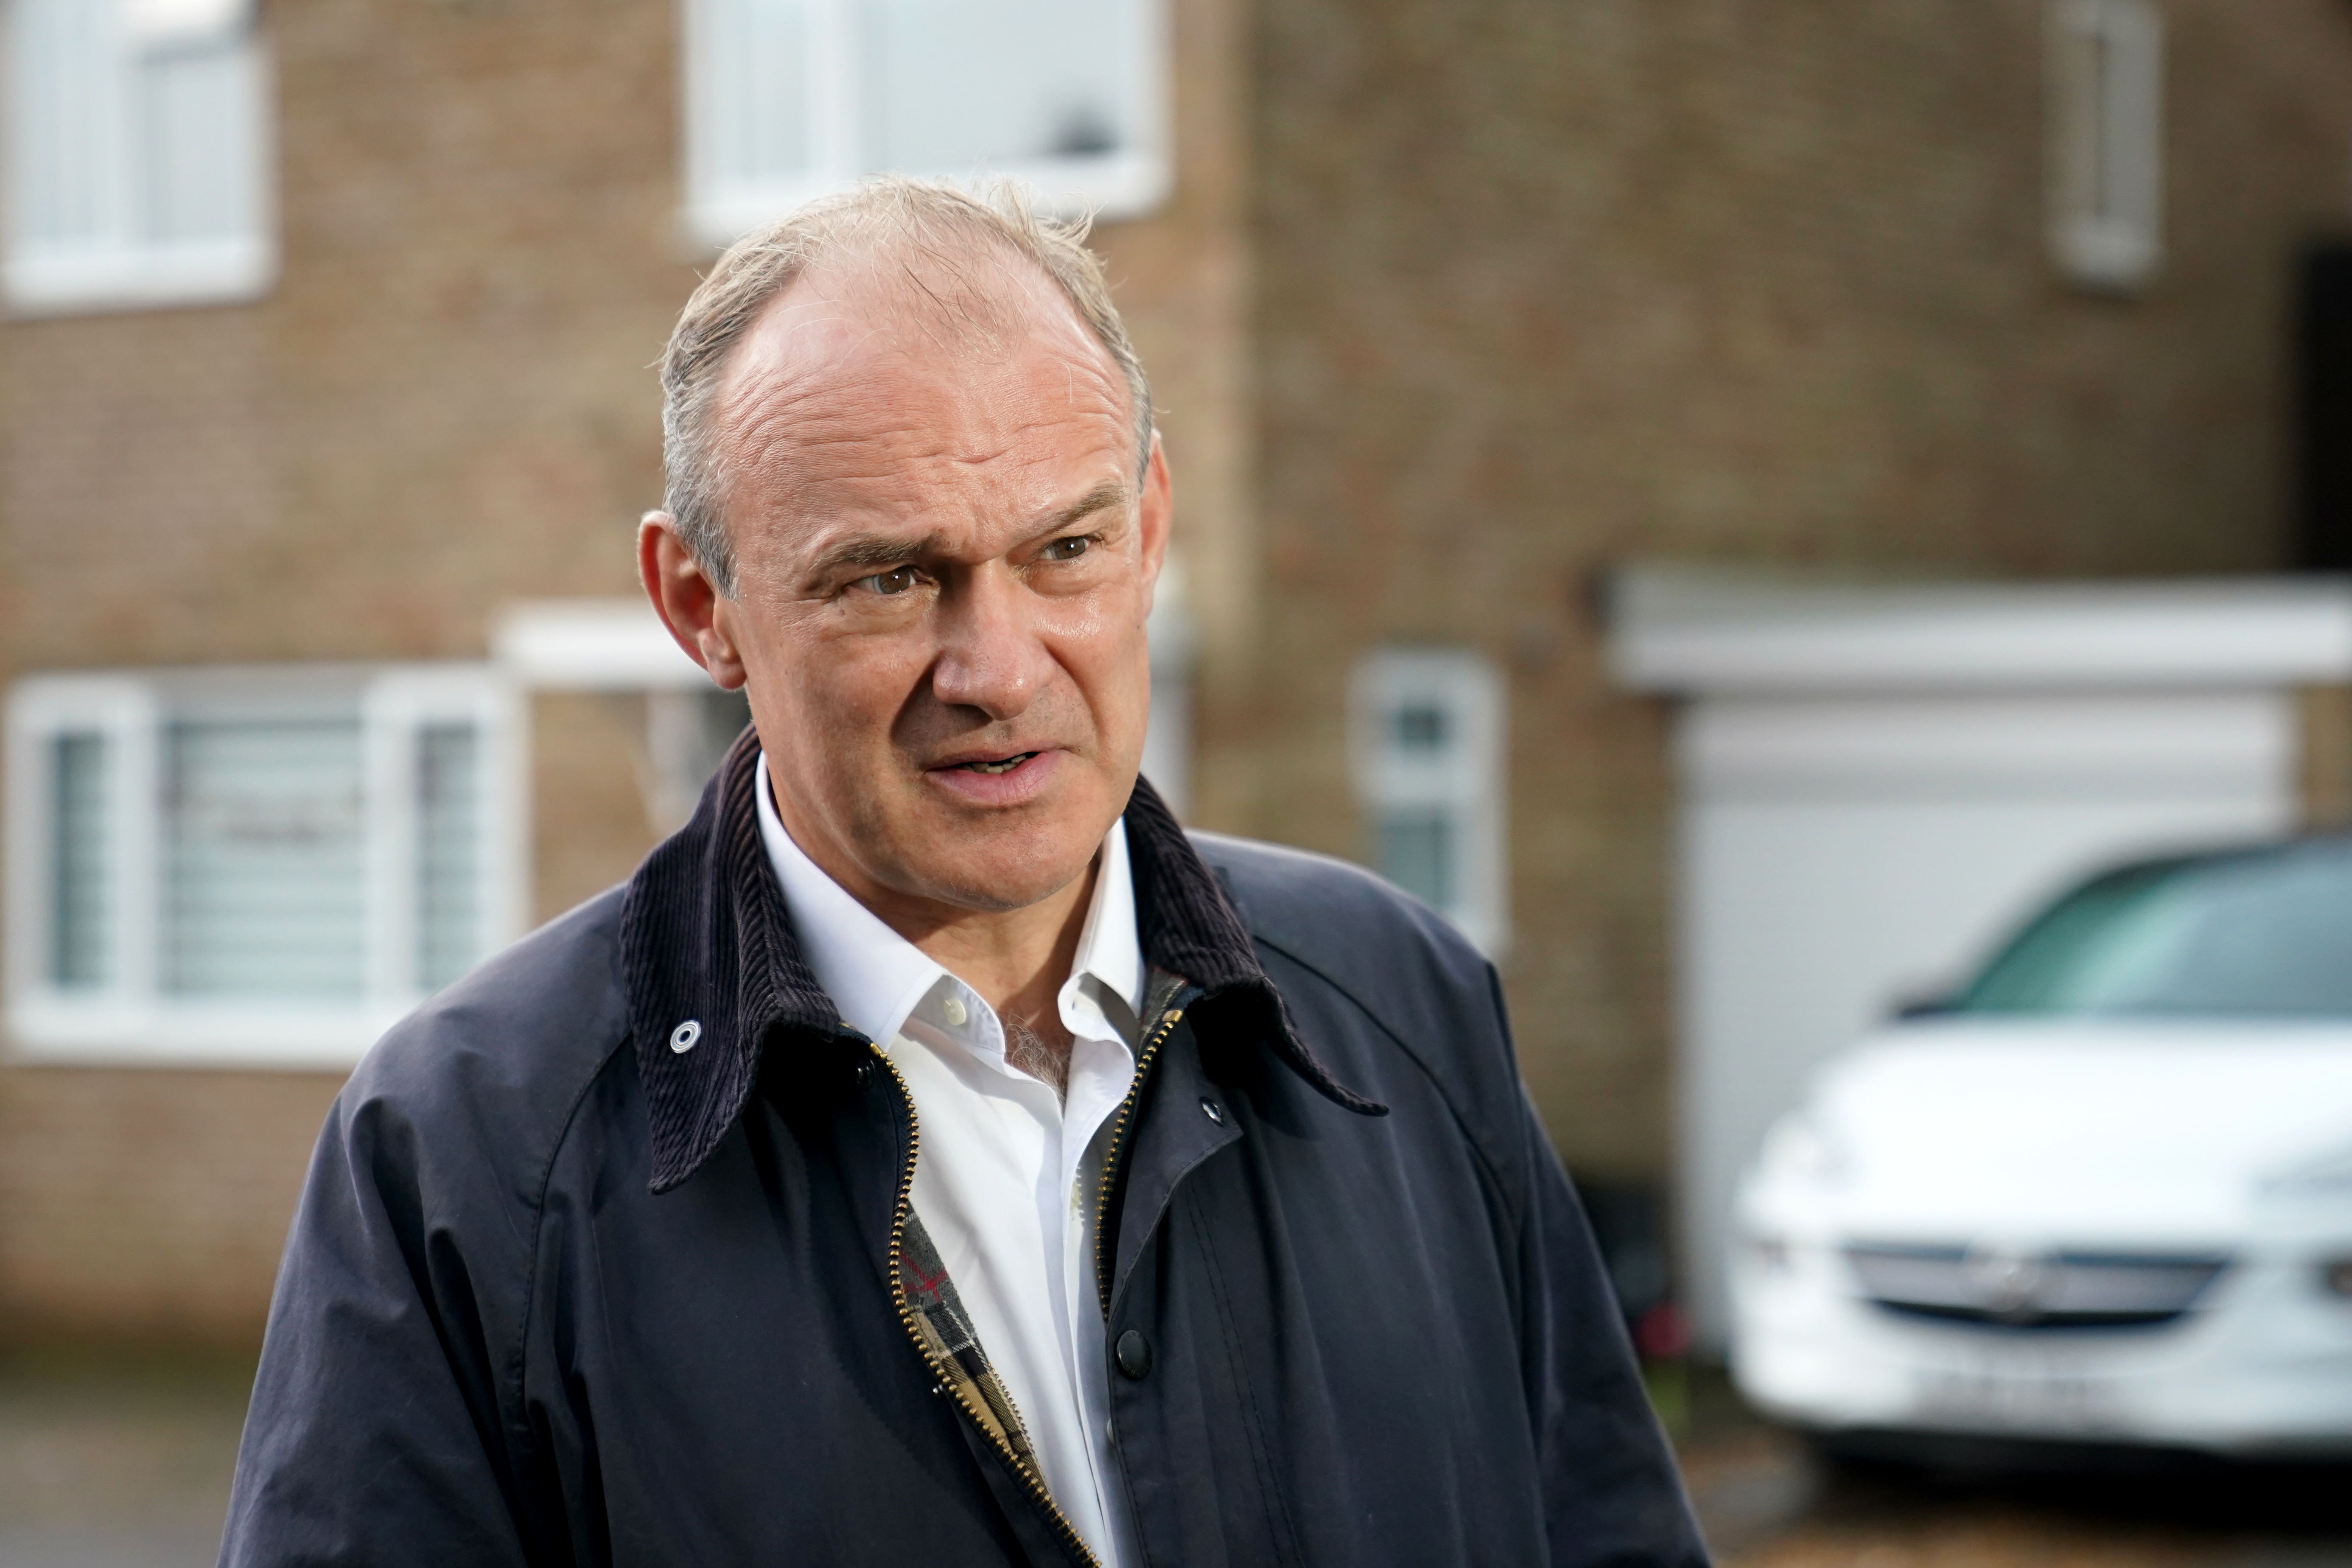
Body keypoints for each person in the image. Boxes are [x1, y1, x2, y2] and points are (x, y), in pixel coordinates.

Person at [219, 179, 1708, 1568]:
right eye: (888, 579)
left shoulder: (1404, 1005)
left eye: (1066, 549)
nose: (997, 670)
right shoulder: (465, 1152)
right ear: (701, 607)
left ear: (1152, 530)